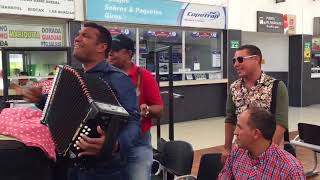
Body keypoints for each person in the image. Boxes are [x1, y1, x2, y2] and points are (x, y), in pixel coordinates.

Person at [23, 22, 140, 180]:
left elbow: (133, 121)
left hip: (105, 171)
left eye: (85, 36)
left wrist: (115, 144)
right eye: (78, 35)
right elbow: (63, 112)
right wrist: (40, 99)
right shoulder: (72, 76)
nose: (77, 38)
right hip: (72, 168)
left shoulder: (118, 79)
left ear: (101, 47)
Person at [108, 34, 163, 180]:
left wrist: (148, 109)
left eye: (115, 50)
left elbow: (159, 109)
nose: (110, 53)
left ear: (128, 53)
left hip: (138, 144)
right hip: (111, 142)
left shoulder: (144, 76)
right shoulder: (105, 75)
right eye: (109, 50)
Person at [223, 44, 289, 162]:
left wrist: (268, 154)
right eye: (234, 60)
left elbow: (281, 123)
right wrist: (227, 148)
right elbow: (230, 119)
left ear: (256, 59)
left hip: (270, 152)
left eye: (240, 59)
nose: (236, 64)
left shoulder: (276, 86)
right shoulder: (234, 87)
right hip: (240, 151)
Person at [218, 107, 305, 179]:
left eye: (240, 128)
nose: (235, 132)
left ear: (256, 133)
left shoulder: (291, 170)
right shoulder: (236, 153)